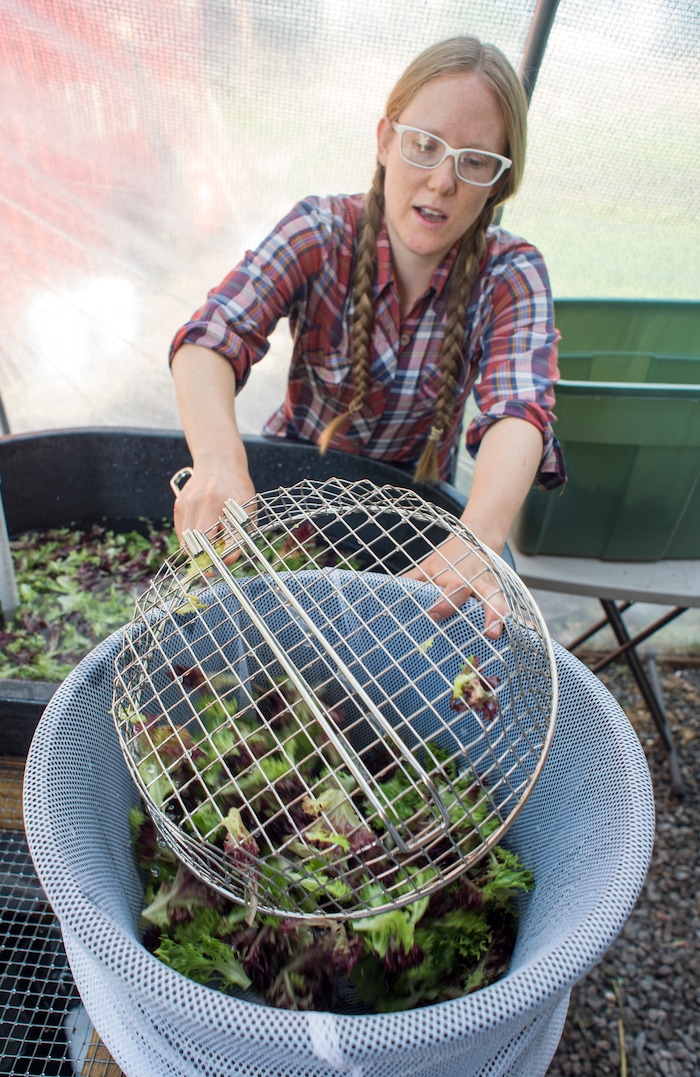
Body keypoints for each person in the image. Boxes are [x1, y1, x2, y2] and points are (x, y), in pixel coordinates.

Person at [168, 35, 566, 634]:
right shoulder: (320, 231)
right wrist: (220, 463)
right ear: (386, 140)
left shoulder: (511, 273)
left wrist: (478, 538)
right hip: (285, 511)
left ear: (499, 182)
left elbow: (520, 411)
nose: (441, 183)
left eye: (474, 161)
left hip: (414, 538)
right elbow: (211, 337)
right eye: (424, 146)